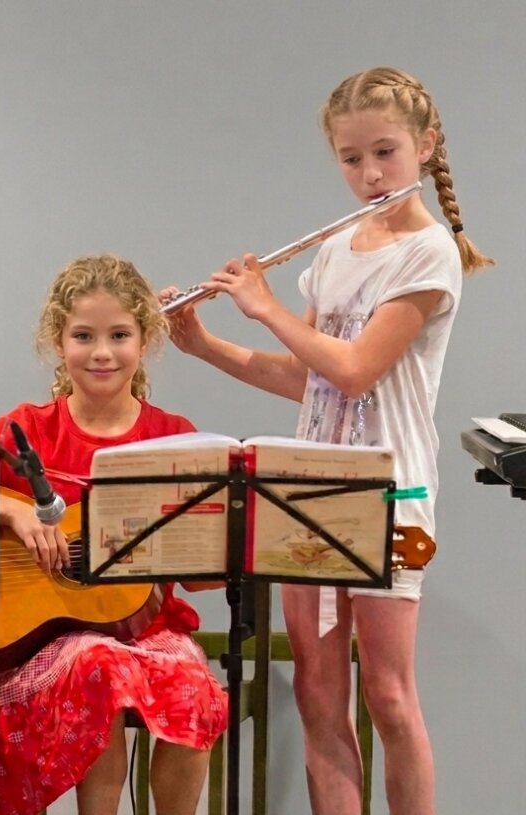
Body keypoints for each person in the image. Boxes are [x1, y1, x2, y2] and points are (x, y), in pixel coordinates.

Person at [163, 67, 491, 815]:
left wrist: (265, 306)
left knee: (389, 696)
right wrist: (204, 344)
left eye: (386, 153)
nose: (370, 174)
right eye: (351, 158)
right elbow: (306, 379)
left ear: (425, 146)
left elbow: (355, 369)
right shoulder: (338, 248)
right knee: (317, 692)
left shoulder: (430, 253)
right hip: (308, 488)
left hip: (389, 490)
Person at [0, 255, 228, 815]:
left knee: (192, 685)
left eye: (119, 335)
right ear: (58, 342)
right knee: (97, 664)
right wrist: (15, 514)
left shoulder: (173, 437)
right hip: (44, 639)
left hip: (147, 629)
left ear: (145, 340)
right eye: (83, 336)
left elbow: (200, 577)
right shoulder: (30, 428)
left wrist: (228, 550)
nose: (102, 352)